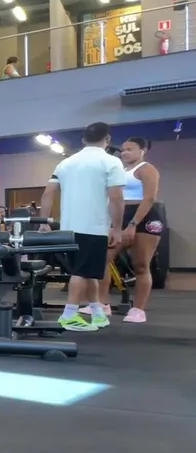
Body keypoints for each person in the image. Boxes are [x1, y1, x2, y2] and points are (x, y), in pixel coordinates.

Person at [38, 122, 128, 332]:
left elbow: (47, 194)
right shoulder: (111, 161)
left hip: (68, 229)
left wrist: (44, 223)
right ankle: (69, 315)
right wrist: (117, 228)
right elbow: (116, 197)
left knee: (88, 271)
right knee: (81, 272)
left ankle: (96, 311)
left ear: (83, 140)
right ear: (107, 139)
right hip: (93, 227)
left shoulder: (65, 163)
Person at [86, 137, 161, 323]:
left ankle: (138, 310)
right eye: (123, 150)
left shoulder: (146, 169)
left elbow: (149, 198)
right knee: (103, 259)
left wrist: (133, 224)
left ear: (143, 150)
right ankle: (102, 304)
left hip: (144, 217)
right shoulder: (120, 171)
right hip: (121, 215)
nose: (125, 153)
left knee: (141, 264)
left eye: (130, 149)